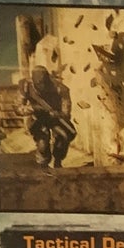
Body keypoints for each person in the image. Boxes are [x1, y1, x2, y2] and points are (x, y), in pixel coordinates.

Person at [23, 37, 76, 170]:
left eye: (43, 84)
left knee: (63, 137)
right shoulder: (26, 87)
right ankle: (43, 165)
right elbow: (18, 107)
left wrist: (59, 114)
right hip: (37, 118)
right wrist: (32, 108)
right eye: (38, 84)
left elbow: (66, 108)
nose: (41, 87)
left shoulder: (60, 88)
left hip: (55, 117)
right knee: (43, 143)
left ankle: (58, 161)